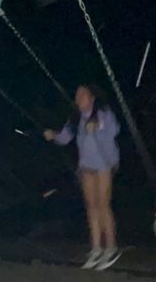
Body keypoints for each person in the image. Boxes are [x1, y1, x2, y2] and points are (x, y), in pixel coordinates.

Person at [44, 85, 121, 271]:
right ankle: (96, 249)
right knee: (91, 206)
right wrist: (53, 135)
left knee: (103, 205)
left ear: (91, 97)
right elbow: (65, 138)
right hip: (86, 166)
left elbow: (114, 130)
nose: (78, 99)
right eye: (77, 95)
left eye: (82, 95)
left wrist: (98, 126)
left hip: (105, 164)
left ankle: (111, 248)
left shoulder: (103, 112)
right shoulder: (75, 118)